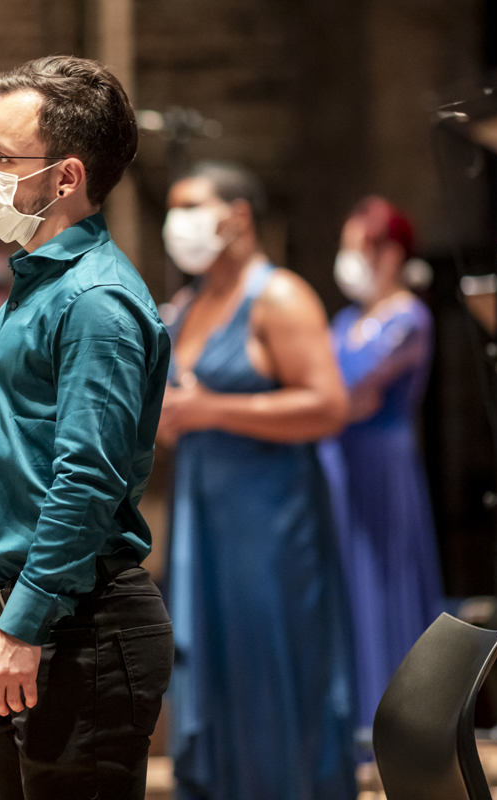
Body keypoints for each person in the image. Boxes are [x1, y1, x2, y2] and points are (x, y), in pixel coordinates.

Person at [0, 56, 173, 800]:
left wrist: (24, 626)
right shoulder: (39, 286)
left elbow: (86, 480)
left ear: (66, 178)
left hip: (83, 630)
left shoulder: (96, 299)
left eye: (0, 159)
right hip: (25, 618)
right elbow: (8, 479)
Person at [157, 162, 355, 799]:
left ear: (238, 215)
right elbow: (173, 417)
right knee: (208, 664)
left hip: (270, 520)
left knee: (271, 665)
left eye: (190, 205)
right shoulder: (186, 305)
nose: (176, 222)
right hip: (200, 514)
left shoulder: (281, 296)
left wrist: (214, 410)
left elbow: (328, 405)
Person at [318, 196, 443, 728]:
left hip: (382, 468)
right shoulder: (346, 319)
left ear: (390, 253)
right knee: (343, 582)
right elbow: (330, 394)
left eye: (358, 248)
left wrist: (330, 401)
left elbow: (345, 390)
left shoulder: (409, 316)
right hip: (336, 466)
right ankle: (348, 715)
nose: (348, 260)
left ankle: (393, 720)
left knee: (383, 580)